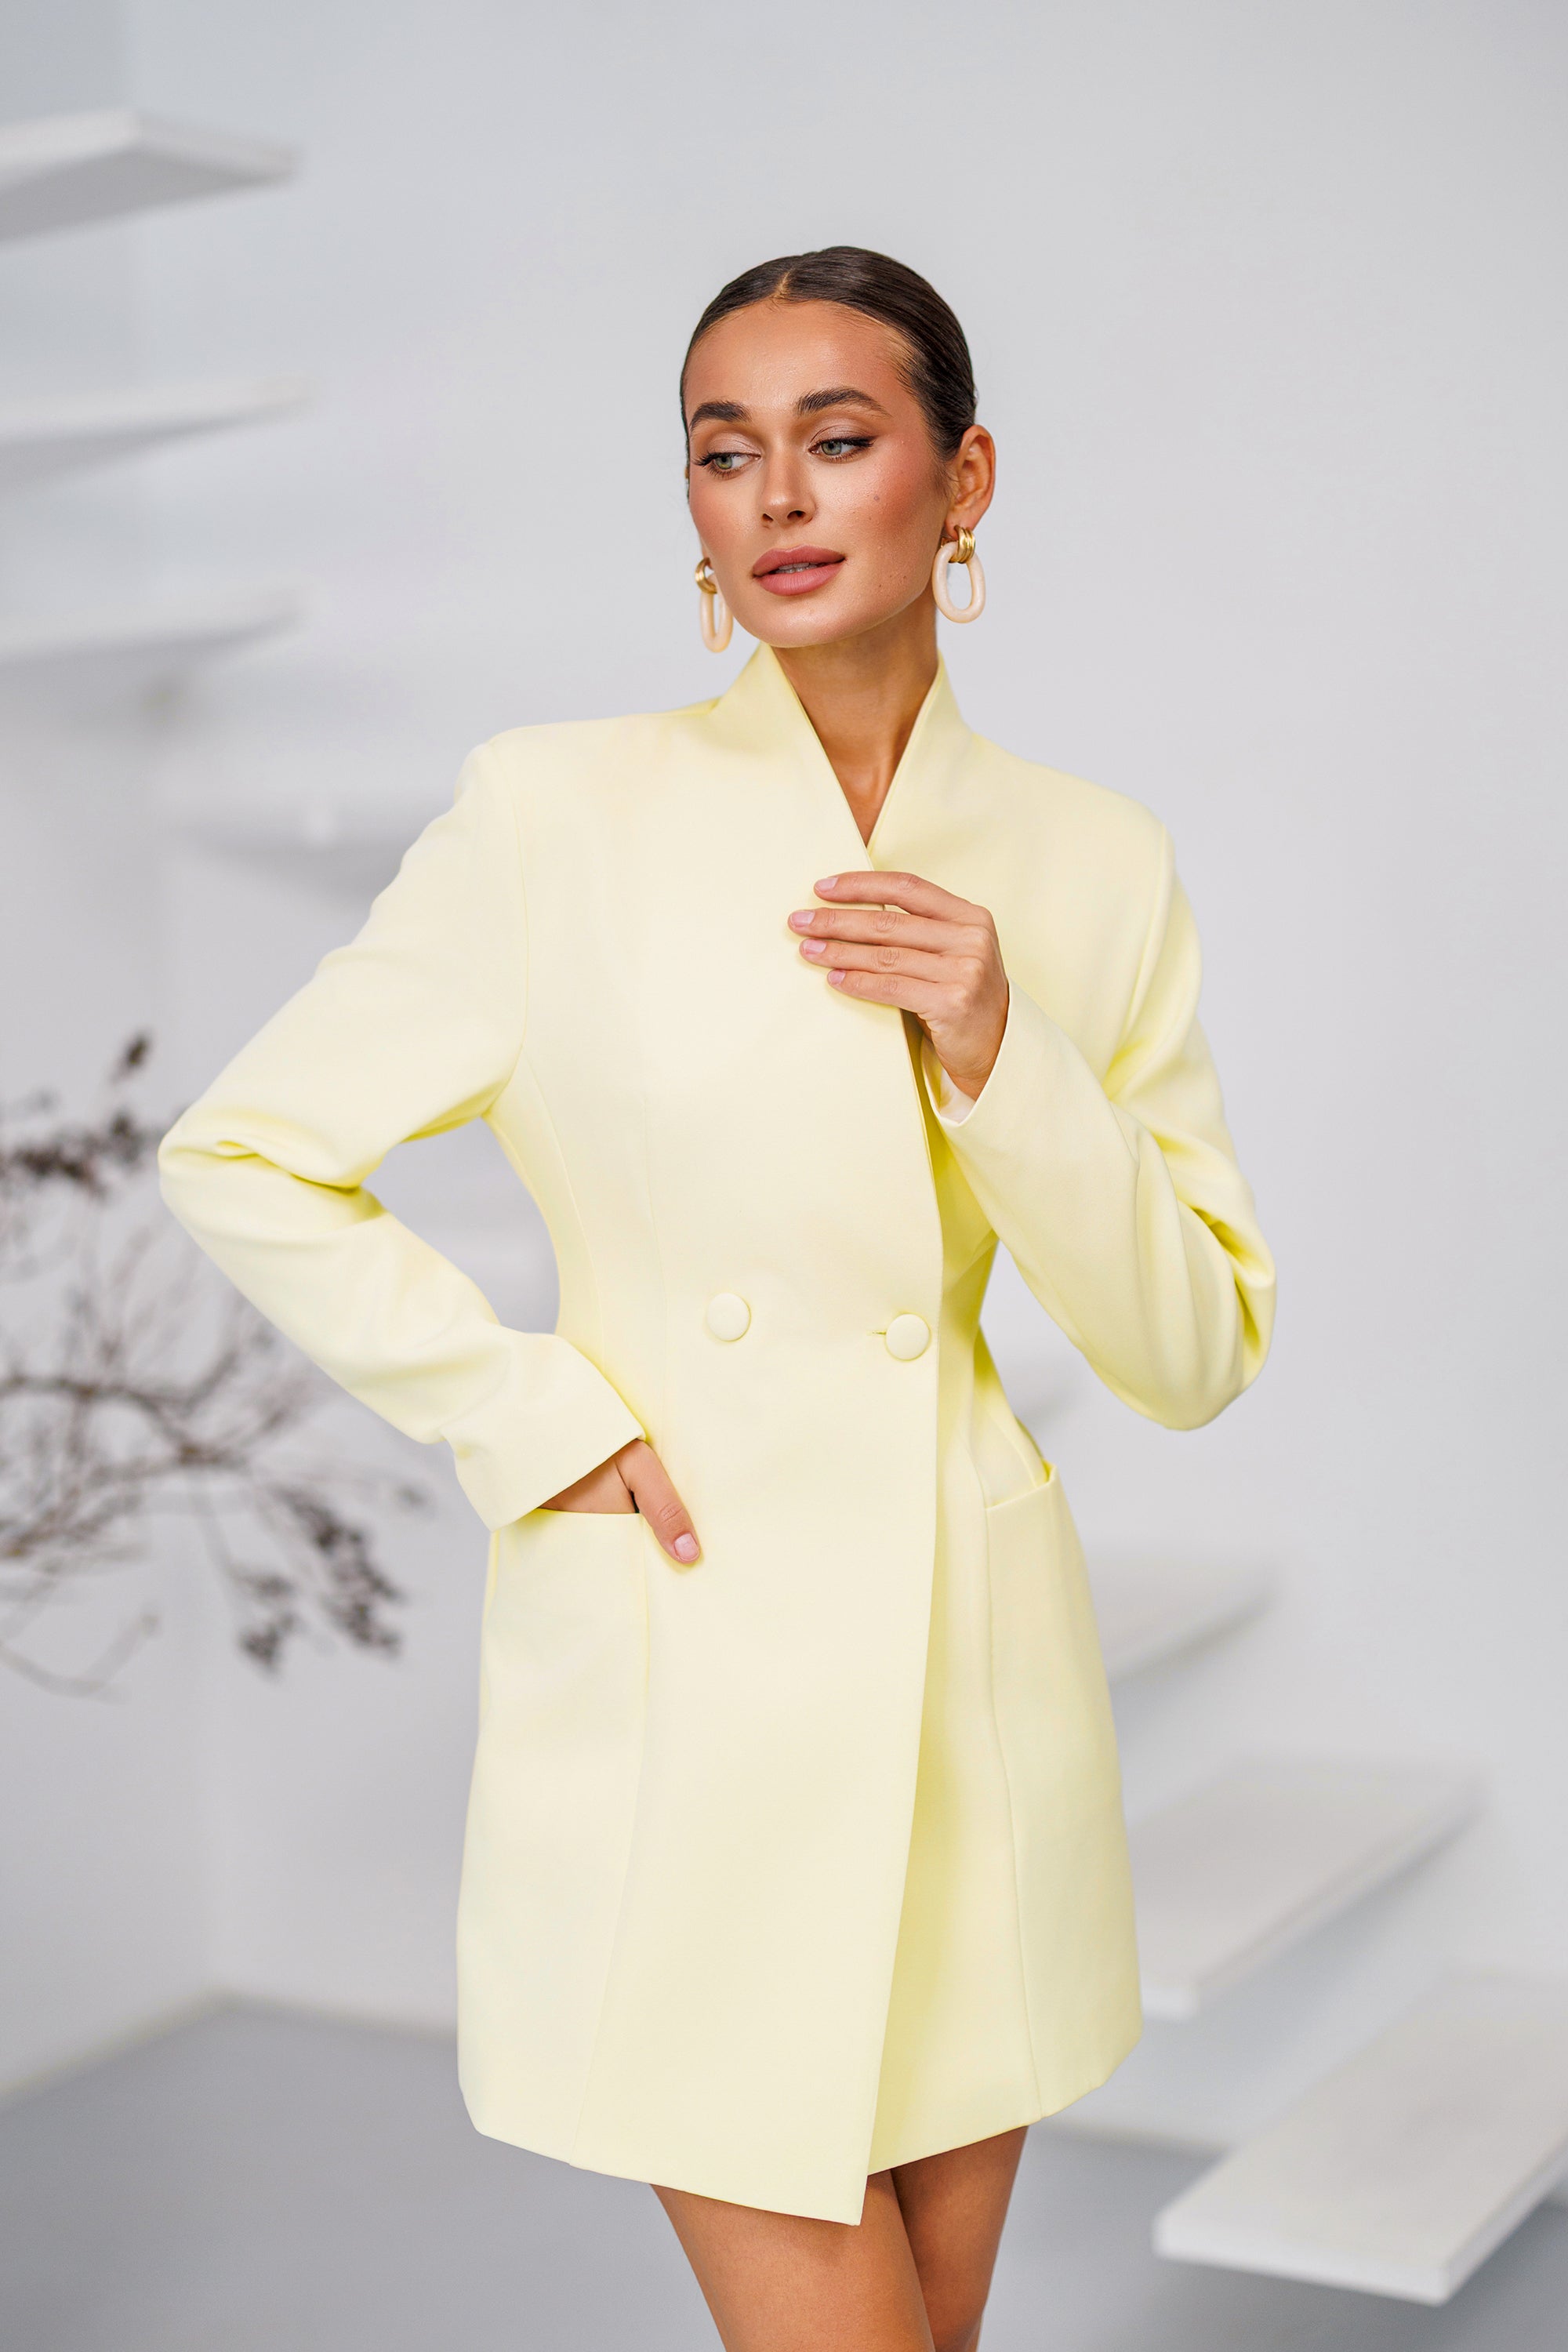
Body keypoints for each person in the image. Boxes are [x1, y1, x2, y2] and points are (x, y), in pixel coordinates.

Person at [160, 245, 1275, 2352]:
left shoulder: (1092, 859)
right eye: (722, 449)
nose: (775, 495)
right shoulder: (555, 813)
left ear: (963, 481)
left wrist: (1000, 1049)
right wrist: (534, 1419)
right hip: (695, 1666)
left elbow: (1195, 1351)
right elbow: (243, 1150)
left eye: (837, 439)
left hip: (968, 1694)